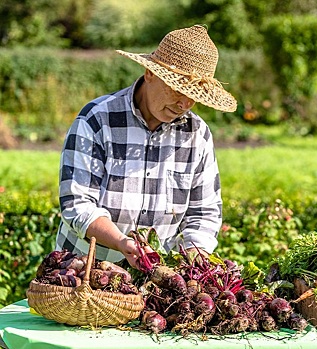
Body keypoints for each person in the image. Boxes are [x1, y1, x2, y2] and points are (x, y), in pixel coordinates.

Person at [55, 25, 237, 269]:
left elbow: (203, 213)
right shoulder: (97, 119)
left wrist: (193, 259)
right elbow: (77, 204)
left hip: (155, 282)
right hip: (85, 272)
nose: (184, 103)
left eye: (194, 95)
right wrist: (121, 242)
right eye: (177, 89)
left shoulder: (197, 134)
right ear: (150, 73)